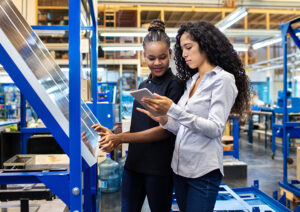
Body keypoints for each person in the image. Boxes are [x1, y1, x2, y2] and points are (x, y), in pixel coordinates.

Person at [138, 21, 251, 212]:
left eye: (188, 48)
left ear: (205, 45)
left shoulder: (223, 80)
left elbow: (215, 129)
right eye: (182, 49)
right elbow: (182, 126)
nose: (183, 55)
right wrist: (164, 120)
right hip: (180, 169)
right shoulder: (192, 81)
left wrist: (172, 109)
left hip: (203, 172)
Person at [92, 19, 184, 212]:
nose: (157, 63)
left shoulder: (174, 85)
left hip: (158, 169)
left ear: (170, 54)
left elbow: (164, 131)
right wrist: (113, 133)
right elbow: (138, 125)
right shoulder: (143, 86)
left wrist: (120, 138)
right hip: (133, 165)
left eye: (162, 57)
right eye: (151, 58)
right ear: (144, 56)